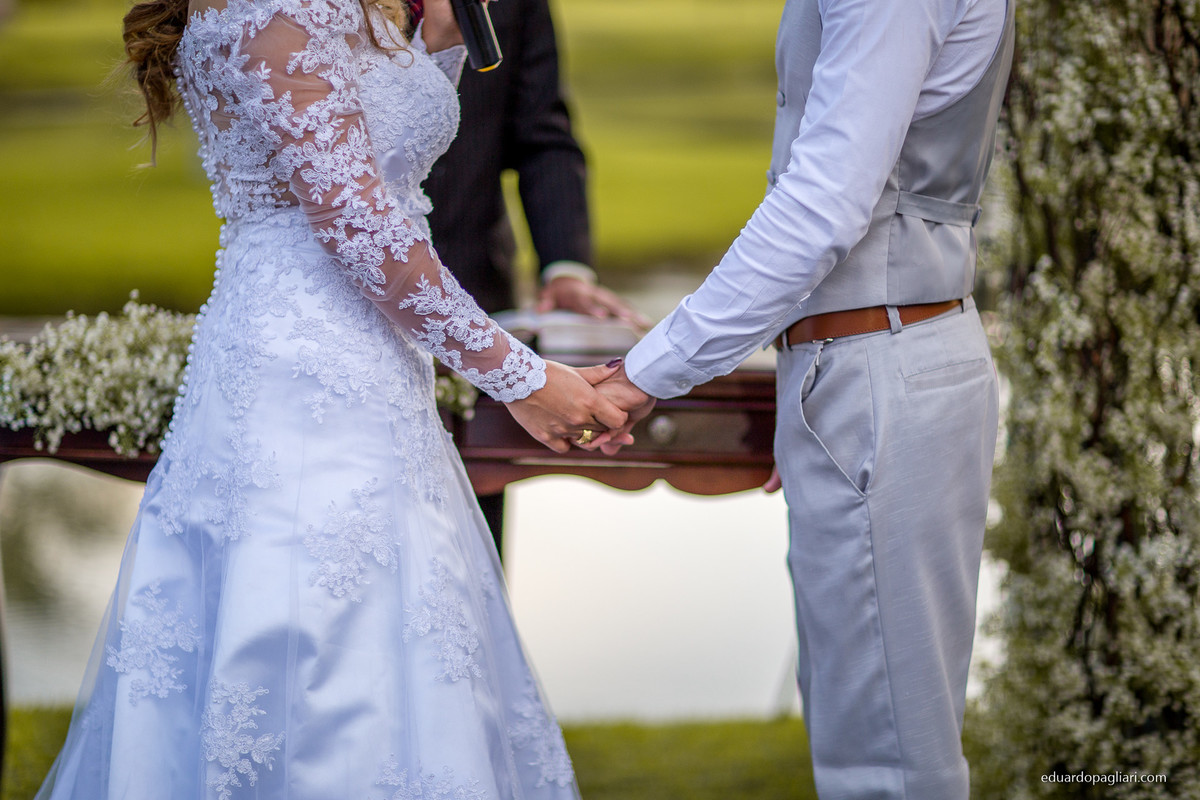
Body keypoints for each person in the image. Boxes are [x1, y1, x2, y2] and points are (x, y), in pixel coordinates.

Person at [35, 0, 630, 796]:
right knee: (313, 642)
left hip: (375, 366)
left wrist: (442, 45)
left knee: (403, 643)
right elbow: (356, 220)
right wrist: (521, 378)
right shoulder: (263, 7)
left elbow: (387, 166)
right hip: (298, 373)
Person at [592, 0, 1014, 797]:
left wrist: (646, 372)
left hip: (879, 366)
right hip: (865, 359)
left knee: (885, 763)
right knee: (868, 736)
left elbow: (822, 202)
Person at [422, 0, 647, 552]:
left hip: (481, 299)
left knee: (467, 559)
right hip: (339, 309)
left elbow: (542, 134)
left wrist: (564, 267)